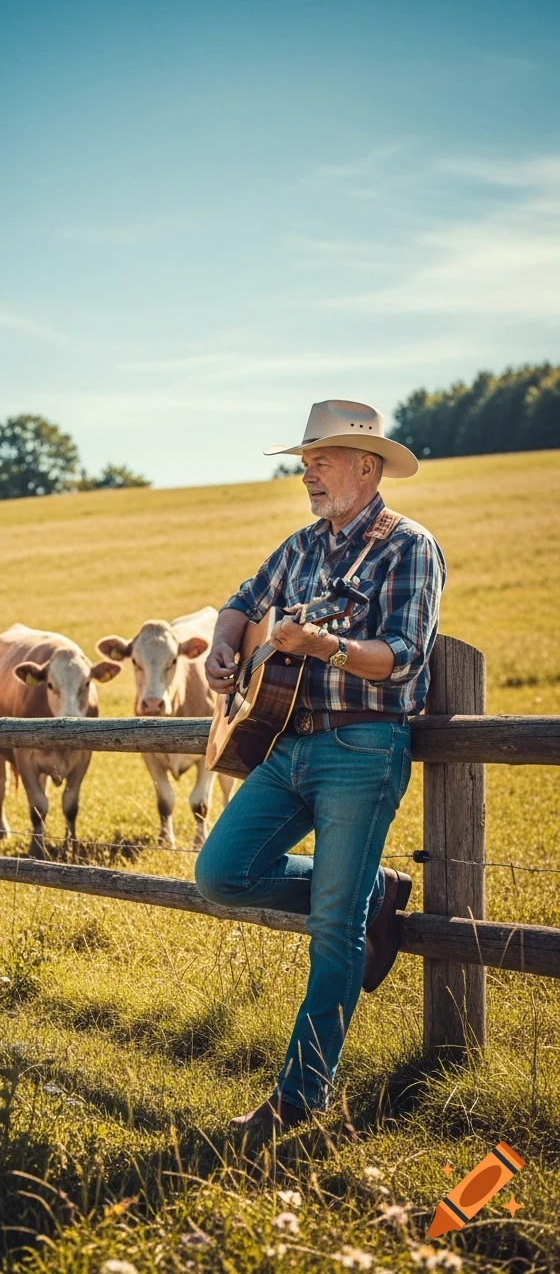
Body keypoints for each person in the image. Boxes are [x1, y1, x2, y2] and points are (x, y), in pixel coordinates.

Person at [194, 398, 446, 1145]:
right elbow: (242, 602)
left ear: (365, 467)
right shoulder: (300, 546)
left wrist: (326, 648)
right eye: (303, 461)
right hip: (285, 742)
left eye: (320, 460)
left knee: (333, 928)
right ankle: (374, 887)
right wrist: (222, 647)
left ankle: (299, 1098)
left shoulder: (409, 548)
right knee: (220, 875)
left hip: (363, 748)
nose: (306, 473)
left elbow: (403, 657)